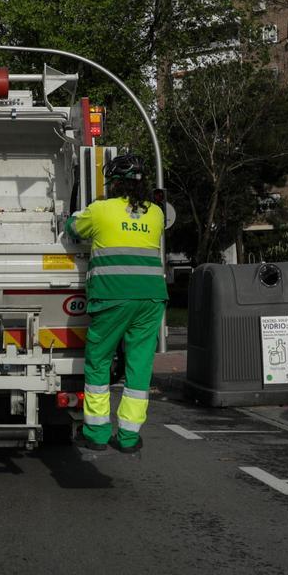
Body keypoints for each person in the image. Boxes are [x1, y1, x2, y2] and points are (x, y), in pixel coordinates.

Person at [64, 153, 167, 453]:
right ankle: (129, 437)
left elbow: (73, 230)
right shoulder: (156, 214)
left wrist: (72, 218)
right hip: (151, 300)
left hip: (112, 297)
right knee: (139, 367)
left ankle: (96, 433)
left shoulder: (100, 210)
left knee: (99, 361)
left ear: (113, 184)